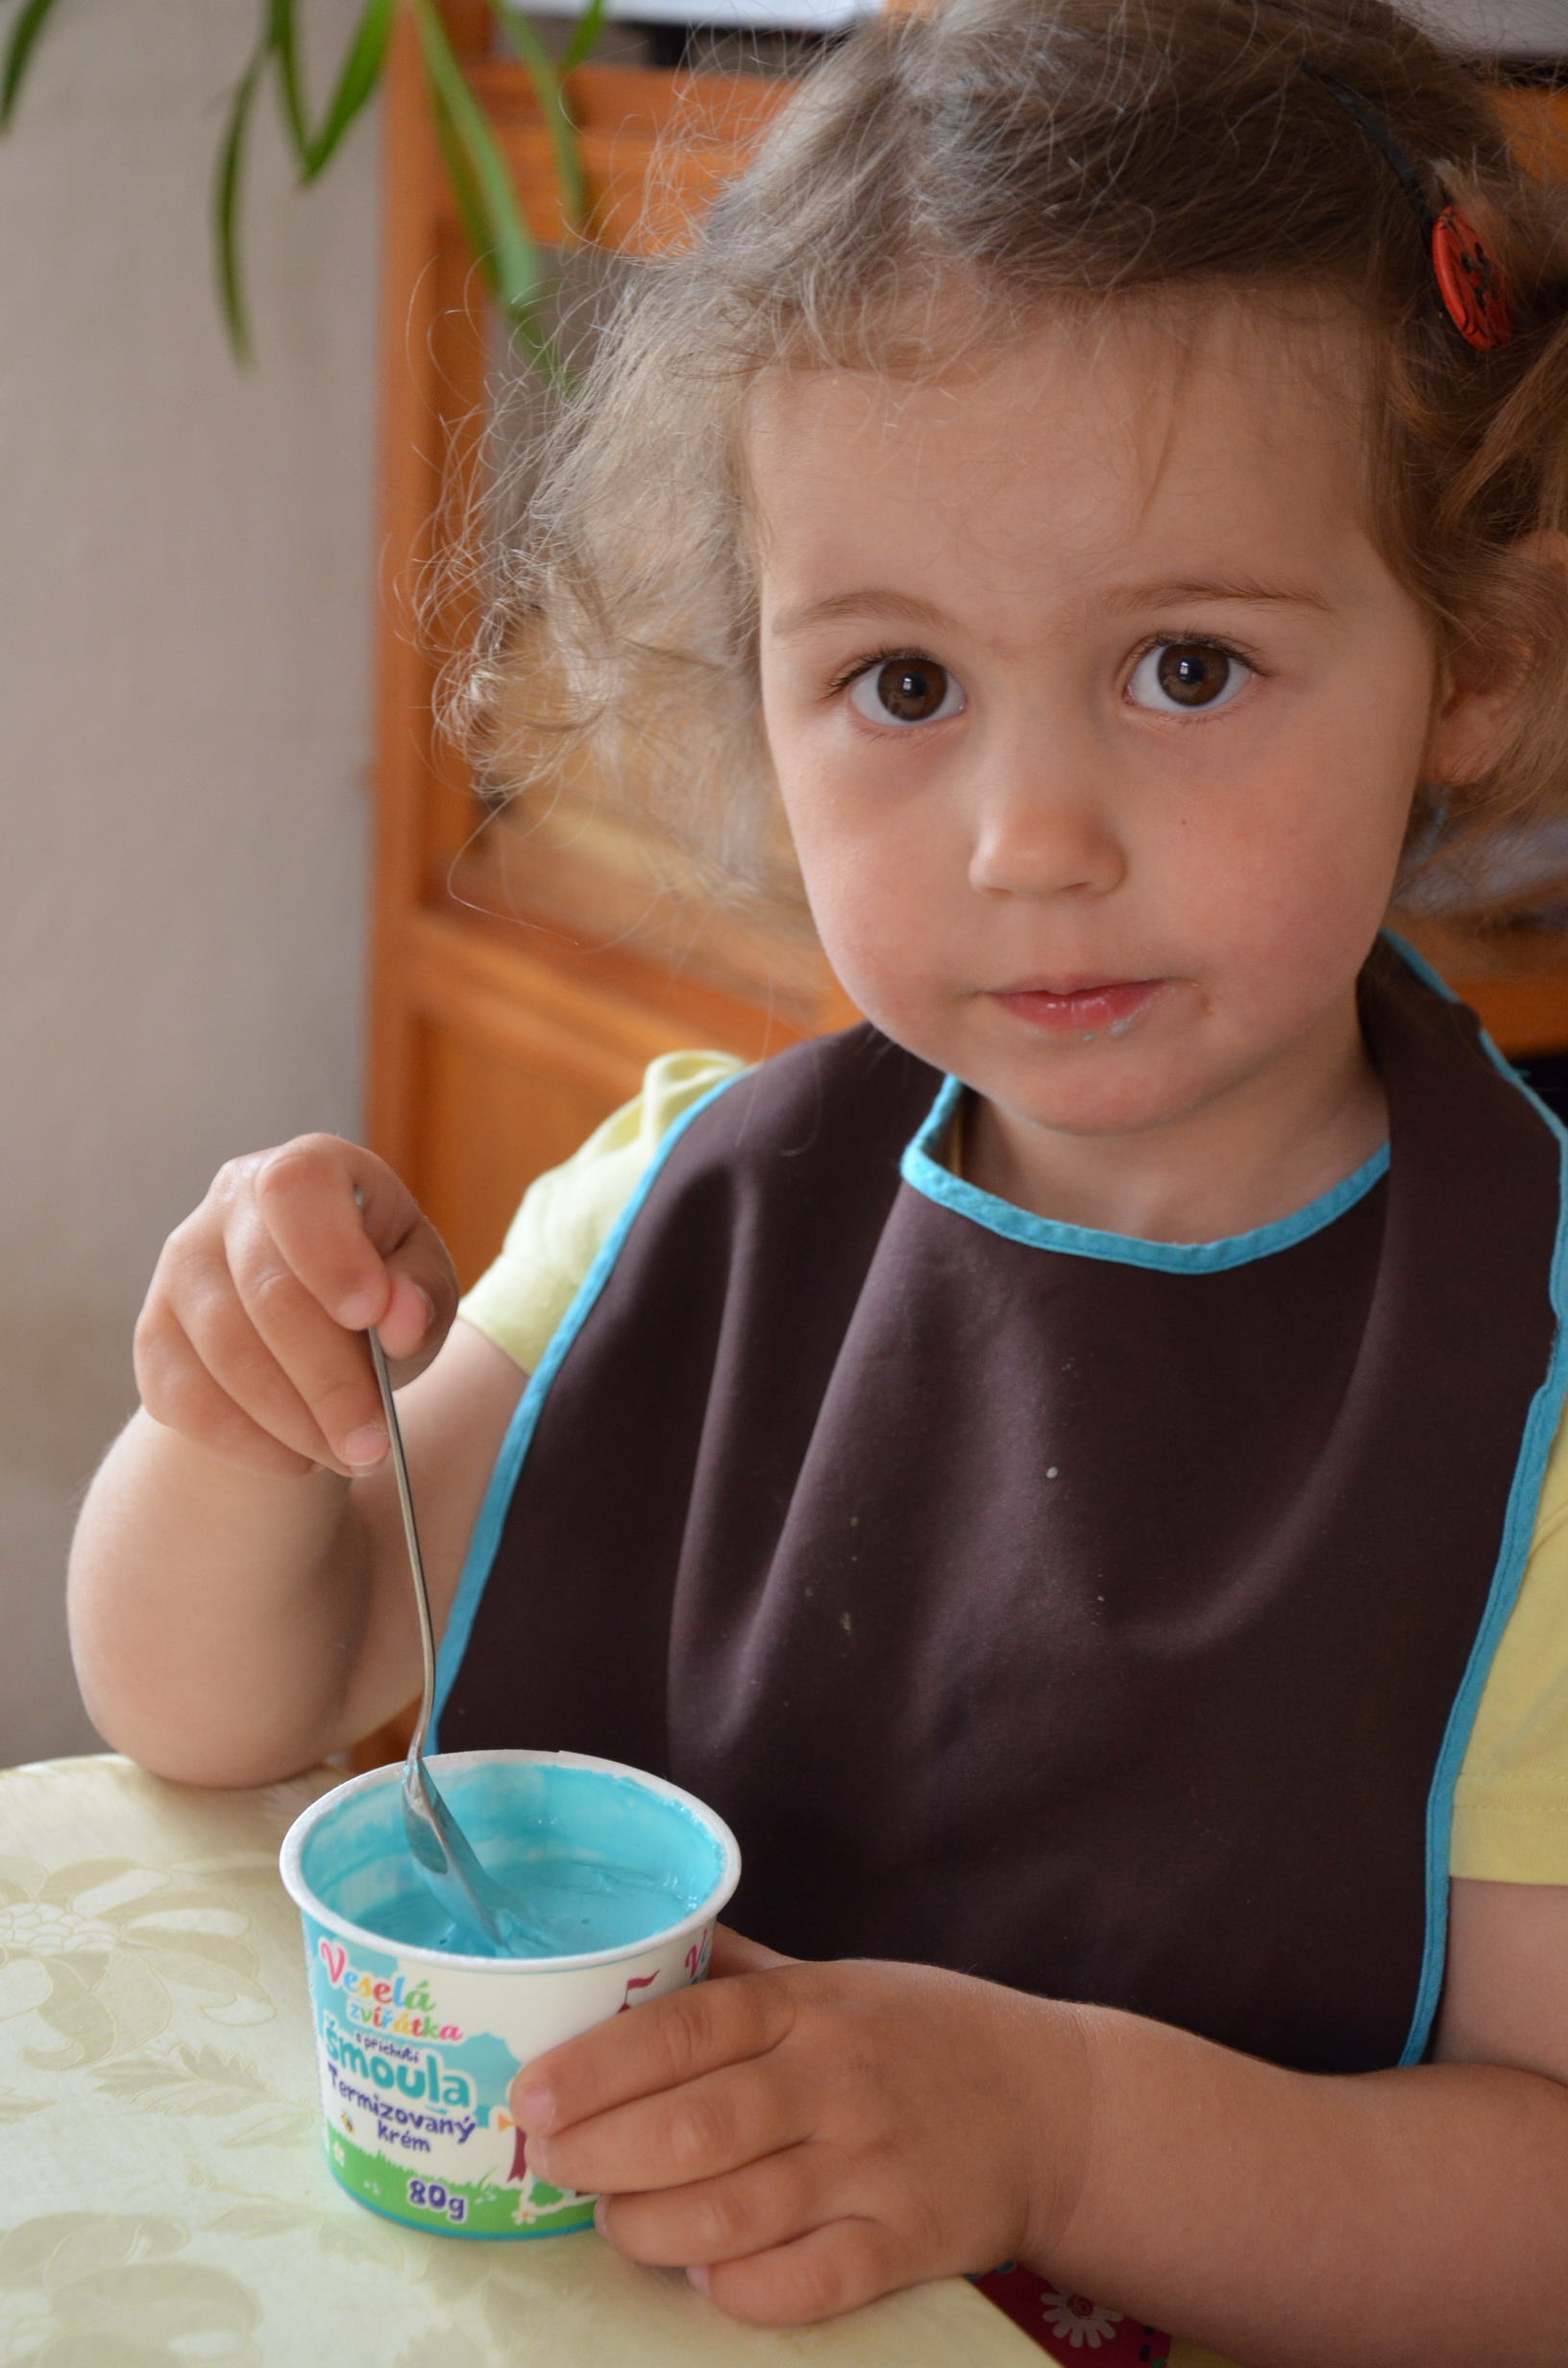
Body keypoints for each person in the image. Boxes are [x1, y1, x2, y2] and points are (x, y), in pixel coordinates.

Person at [67, 0, 1568, 2357]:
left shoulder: (1535, 1386)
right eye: (902, 684)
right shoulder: (685, 1196)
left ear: (1471, 656)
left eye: (1187, 667)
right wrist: (236, 1418)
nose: (1032, 840)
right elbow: (215, 1702)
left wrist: (1060, 2132)